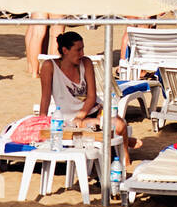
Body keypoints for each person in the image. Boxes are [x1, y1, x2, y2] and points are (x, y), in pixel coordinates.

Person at [38, 31, 137, 167]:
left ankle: (125, 155)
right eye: (78, 50)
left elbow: (91, 96)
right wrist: (41, 121)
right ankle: (123, 141)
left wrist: (81, 115)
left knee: (120, 124)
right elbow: (45, 97)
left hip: (91, 110)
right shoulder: (50, 67)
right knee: (116, 127)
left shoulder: (86, 63)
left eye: (83, 48)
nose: (82, 53)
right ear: (65, 50)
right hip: (71, 120)